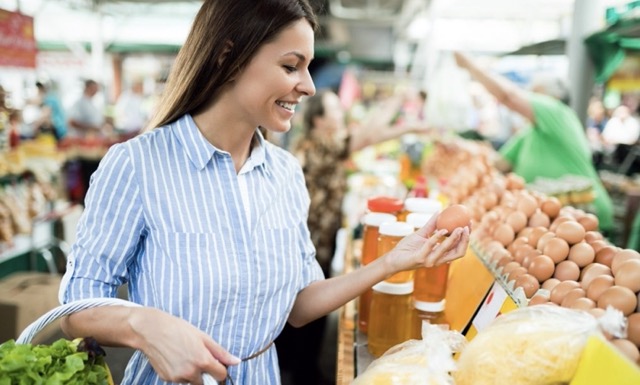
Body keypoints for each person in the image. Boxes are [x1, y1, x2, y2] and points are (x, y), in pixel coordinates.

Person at [57, 2, 470, 385]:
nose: (307, 86)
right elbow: (75, 310)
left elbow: (299, 305)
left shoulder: (285, 174)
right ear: (228, 58)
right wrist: (144, 325)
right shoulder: (138, 164)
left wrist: (394, 261)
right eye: (292, 66)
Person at [276, 89, 430, 384]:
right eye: (334, 110)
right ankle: (300, 372)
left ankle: (301, 368)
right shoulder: (319, 146)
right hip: (307, 241)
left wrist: (409, 126)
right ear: (319, 120)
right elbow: (370, 134)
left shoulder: (318, 143)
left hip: (316, 238)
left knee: (307, 311)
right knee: (305, 312)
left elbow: (370, 135)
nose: (341, 115)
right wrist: (397, 100)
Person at [453, 52, 615, 234]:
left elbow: (508, 96)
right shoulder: (531, 131)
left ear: (550, 96)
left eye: (534, 94)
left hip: (584, 212)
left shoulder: (557, 111)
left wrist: (470, 66)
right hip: (550, 218)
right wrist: (467, 151)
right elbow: (500, 163)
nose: (528, 100)